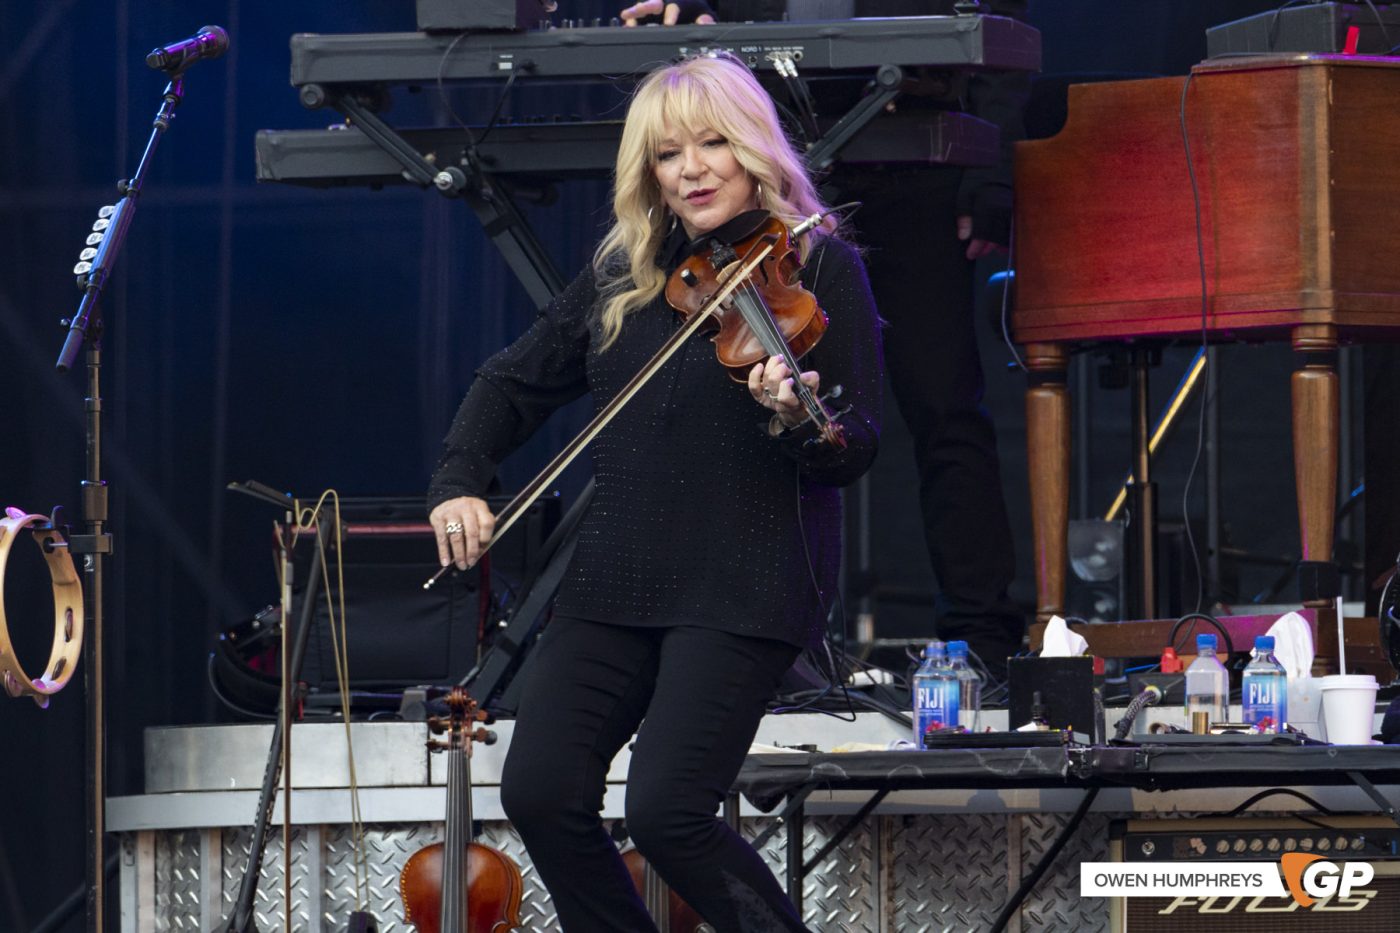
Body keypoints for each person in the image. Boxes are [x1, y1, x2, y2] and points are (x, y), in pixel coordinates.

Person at [426, 55, 882, 932]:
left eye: (714, 142)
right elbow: (510, 384)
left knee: (667, 810)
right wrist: (459, 480)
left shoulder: (818, 266)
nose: (693, 168)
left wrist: (797, 417)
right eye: (670, 154)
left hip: (746, 576)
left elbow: (854, 445)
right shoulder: (625, 275)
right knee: (540, 789)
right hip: (621, 575)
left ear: (754, 149)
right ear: (649, 172)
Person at [620, 0, 1030, 667]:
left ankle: (981, 632)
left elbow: (1000, 29)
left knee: (945, 406)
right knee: (757, 401)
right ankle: (759, 630)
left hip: (915, 165)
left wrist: (990, 171)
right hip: (779, 166)